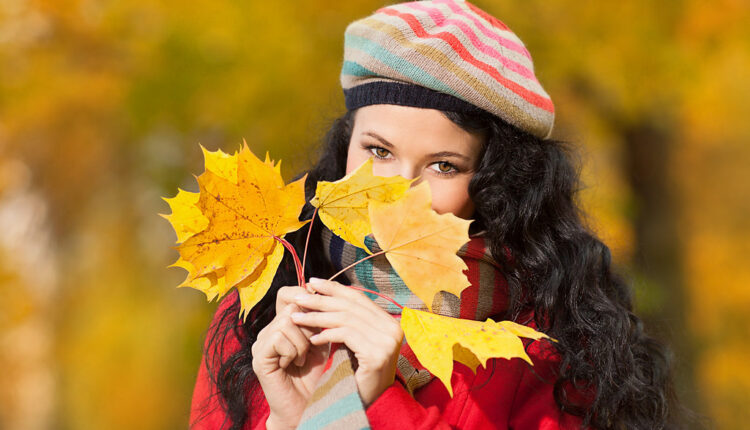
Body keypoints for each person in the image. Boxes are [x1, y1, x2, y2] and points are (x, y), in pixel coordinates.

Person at [190, 1, 680, 429]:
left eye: (443, 166)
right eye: (378, 152)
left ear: (495, 179)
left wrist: (381, 404)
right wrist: (288, 421)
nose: (398, 192)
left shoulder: (539, 346)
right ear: (345, 146)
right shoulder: (260, 309)